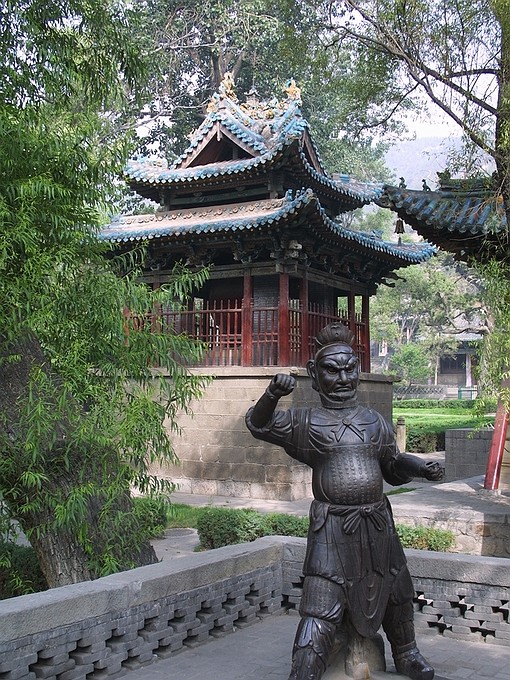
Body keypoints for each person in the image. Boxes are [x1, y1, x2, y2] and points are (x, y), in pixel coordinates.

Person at [245, 323, 444, 680]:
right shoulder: (306, 422)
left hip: (378, 524)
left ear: (358, 371)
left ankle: (407, 652)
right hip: (332, 526)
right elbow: (259, 425)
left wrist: (420, 468)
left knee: (398, 589)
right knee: (320, 603)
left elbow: (392, 464)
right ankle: (304, 670)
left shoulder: (374, 421)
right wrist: (272, 394)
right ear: (314, 374)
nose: (343, 378)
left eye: (350, 369)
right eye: (332, 370)